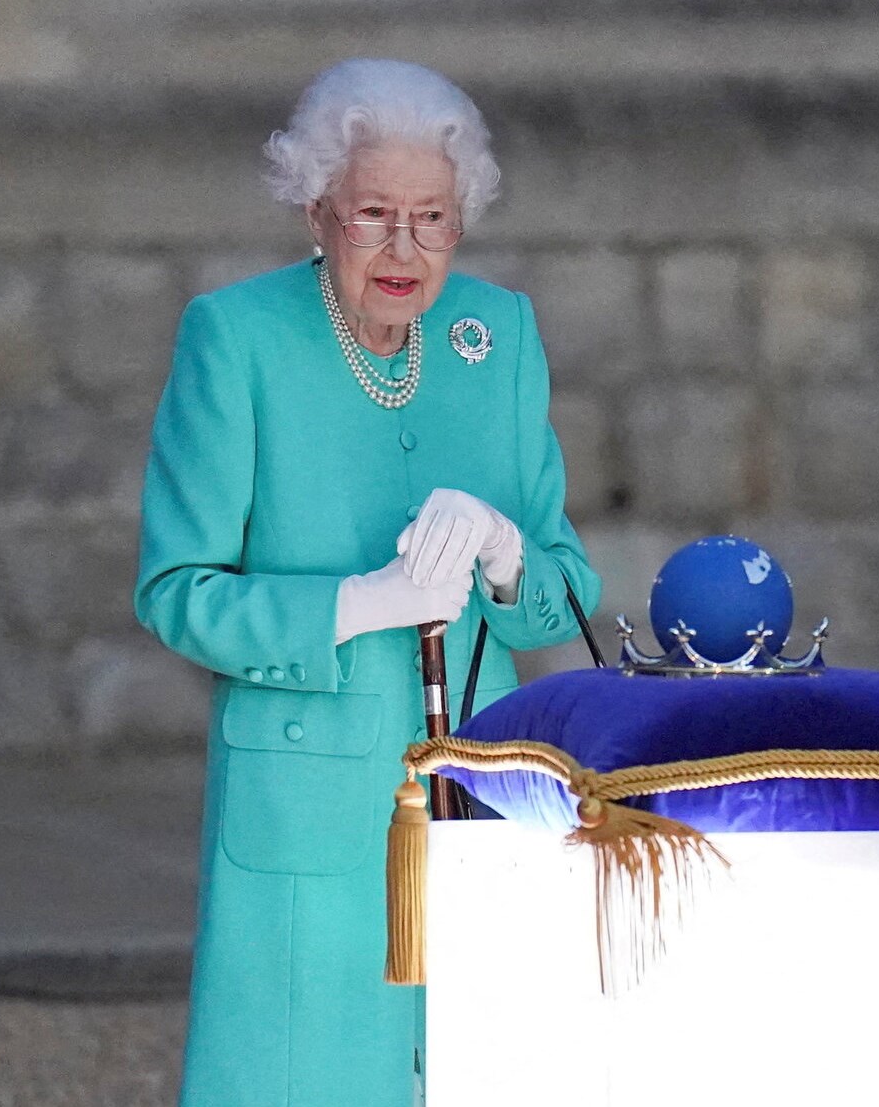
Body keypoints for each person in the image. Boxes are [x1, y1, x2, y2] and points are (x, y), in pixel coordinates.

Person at [133, 58, 602, 1107]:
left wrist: (504, 552)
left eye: (431, 216)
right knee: (307, 1070)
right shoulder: (236, 337)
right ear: (316, 210)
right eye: (374, 214)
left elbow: (562, 589)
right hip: (306, 793)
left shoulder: (499, 333)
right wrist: (355, 604)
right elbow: (176, 589)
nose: (404, 247)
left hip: (483, 788)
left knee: (480, 1070)